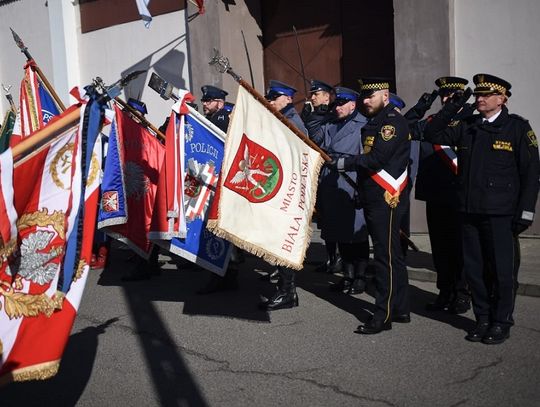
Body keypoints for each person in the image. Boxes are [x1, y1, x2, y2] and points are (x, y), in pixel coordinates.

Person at [423, 74, 539, 344]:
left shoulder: (517, 128)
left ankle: (501, 321)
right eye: (477, 95)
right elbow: (432, 134)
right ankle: (483, 318)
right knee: (474, 271)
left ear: (502, 99)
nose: (480, 99)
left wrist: (526, 212)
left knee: (501, 271)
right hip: (468, 211)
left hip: (500, 214)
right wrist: (454, 105)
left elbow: (531, 173)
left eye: (486, 95)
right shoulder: (468, 125)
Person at [329, 78, 411, 334]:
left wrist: (343, 164)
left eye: (371, 97)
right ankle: (399, 307)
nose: (365, 101)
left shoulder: (391, 123)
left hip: (385, 198)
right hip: (373, 195)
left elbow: (376, 159)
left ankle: (382, 315)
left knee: (385, 257)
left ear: (384, 96)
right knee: (392, 254)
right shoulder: (376, 122)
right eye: (363, 97)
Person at [406, 77, 473, 314]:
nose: (446, 99)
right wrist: (421, 106)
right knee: (441, 249)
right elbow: (404, 128)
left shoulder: (469, 121)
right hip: (435, 195)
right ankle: (444, 293)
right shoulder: (432, 122)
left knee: (460, 248)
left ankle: (462, 294)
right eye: (444, 95)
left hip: (459, 195)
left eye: (452, 95)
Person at [309, 87, 369, 294]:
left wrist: (362, 189)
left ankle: (360, 277)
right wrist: (318, 114)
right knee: (339, 234)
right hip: (331, 184)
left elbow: (366, 160)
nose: (338, 108)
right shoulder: (331, 124)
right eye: (337, 104)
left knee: (356, 235)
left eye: (342, 104)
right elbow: (314, 138)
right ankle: (347, 276)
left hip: (351, 184)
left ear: (353, 104)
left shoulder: (364, 125)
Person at [259, 80, 306, 310]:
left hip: (288, 191)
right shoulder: (278, 119)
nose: (269, 102)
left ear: (287, 99)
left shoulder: (292, 122)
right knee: (278, 241)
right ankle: (287, 291)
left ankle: (287, 292)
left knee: (284, 242)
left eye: (273, 98)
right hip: (278, 189)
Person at [197, 85, 243, 294]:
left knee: (220, 228)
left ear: (220, 102)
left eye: (209, 100)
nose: (204, 104)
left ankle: (223, 275)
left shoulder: (223, 119)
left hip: (221, 181)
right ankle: (226, 274)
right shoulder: (214, 117)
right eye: (204, 100)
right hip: (215, 180)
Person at [301, 79, 341, 274]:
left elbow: (317, 139)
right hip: (316, 172)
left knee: (335, 217)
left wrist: (314, 116)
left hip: (331, 172)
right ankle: (331, 257)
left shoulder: (332, 114)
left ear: (326, 96)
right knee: (324, 219)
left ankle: (339, 258)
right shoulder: (312, 113)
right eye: (312, 94)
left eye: (316, 94)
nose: (312, 97)